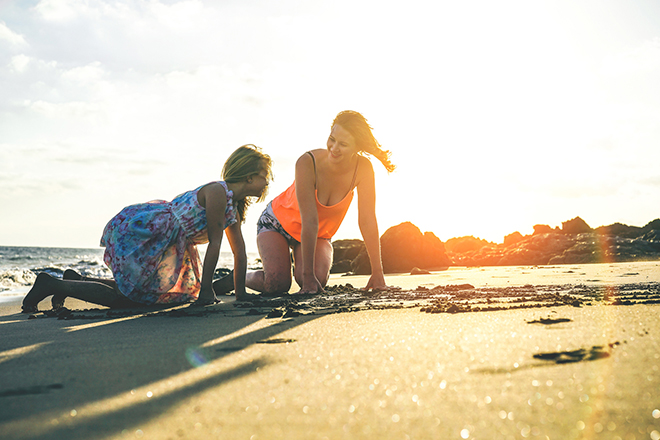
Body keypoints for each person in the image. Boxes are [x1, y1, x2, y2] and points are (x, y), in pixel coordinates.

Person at [22, 144, 273, 312]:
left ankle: (77, 280)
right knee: (129, 300)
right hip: (152, 234)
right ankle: (52, 285)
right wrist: (206, 290)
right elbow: (216, 244)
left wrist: (241, 294)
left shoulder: (233, 205)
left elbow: (239, 251)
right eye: (265, 175)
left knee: (144, 294)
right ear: (249, 177)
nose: (268, 181)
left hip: (171, 244)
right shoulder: (219, 192)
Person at [244, 110, 395, 295]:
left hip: (318, 235)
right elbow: (310, 220)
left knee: (318, 279)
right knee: (277, 284)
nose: (334, 148)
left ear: (357, 147)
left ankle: (301, 270)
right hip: (277, 224)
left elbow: (367, 220)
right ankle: (239, 277)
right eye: (332, 139)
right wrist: (307, 278)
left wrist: (378, 273)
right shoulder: (307, 162)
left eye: (344, 144)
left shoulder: (363, 169)